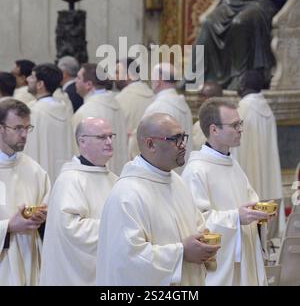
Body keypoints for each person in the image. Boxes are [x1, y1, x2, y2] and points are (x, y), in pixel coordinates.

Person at [96, 113, 220, 286]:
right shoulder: (127, 195)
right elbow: (127, 260)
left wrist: (203, 245)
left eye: (183, 137)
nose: (183, 145)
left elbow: (196, 225)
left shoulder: (177, 182)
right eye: (175, 139)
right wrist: (182, 252)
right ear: (150, 144)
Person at [182, 98, 269, 286]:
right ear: (214, 130)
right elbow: (195, 224)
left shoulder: (232, 164)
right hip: (220, 270)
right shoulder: (196, 170)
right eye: (234, 125)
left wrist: (260, 213)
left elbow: (249, 202)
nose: (240, 129)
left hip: (245, 259)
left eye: (240, 123)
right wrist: (236, 217)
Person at [40, 117, 117, 286]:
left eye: (111, 136)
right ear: (82, 141)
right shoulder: (70, 180)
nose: (109, 142)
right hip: (76, 275)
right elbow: (70, 229)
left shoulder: (114, 180)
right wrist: (118, 226)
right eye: (102, 137)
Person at [0, 99, 50, 286]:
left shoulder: (34, 169)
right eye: (18, 128)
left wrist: (42, 217)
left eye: (27, 128)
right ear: (1, 128)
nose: (24, 135)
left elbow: (47, 213)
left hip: (30, 257)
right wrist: (9, 227)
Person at [231, 70, 285, 234]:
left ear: (243, 85)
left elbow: (233, 149)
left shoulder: (243, 109)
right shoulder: (267, 109)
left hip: (247, 172)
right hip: (267, 176)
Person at [72, 63, 128, 175]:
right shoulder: (117, 106)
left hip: (94, 175)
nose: (75, 81)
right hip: (120, 172)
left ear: (88, 84)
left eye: (78, 78)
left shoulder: (84, 112)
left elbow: (80, 151)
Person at [24, 63, 73, 183]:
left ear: (40, 84)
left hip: (40, 176)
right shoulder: (64, 109)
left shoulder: (35, 112)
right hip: (64, 177)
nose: (27, 79)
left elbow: (29, 150)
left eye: (32, 77)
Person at [140, 63, 193, 162]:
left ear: (158, 81)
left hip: (164, 168)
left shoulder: (157, 108)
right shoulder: (184, 105)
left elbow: (145, 142)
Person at [115, 58, 154, 159]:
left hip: (127, 159)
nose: (114, 77)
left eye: (117, 73)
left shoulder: (119, 100)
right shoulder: (153, 97)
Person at [192, 81, 223, 150]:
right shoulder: (198, 124)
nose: (197, 100)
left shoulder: (223, 125)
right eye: (198, 96)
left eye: (202, 96)